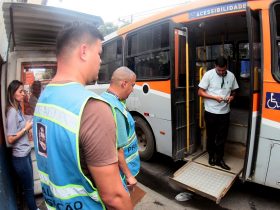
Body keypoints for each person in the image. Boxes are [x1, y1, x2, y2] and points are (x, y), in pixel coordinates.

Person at [32, 22, 133, 210]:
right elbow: (115, 197)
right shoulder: (93, 108)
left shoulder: (45, 97)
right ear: (84, 51)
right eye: (99, 53)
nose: (101, 61)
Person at [101, 67, 140, 192]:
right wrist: (129, 176)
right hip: (121, 175)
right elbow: (118, 150)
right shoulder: (116, 108)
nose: (133, 90)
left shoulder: (103, 98)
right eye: (132, 85)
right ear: (124, 83)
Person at [198, 56, 239, 170]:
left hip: (225, 112)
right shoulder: (208, 75)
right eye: (219, 70)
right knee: (211, 136)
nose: (221, 72)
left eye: (223, 70)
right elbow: (200, 92)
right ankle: (211, 156)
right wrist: (214, 97)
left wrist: (232, 97)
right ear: (215, 66)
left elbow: (234, 91)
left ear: (226, 67)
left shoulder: (231, 75)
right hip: (211, 112)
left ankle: (219, 159)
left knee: (222, 137)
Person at [6, 80, 38, 210]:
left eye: (24, 91)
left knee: (28, 186)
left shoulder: (18, 109)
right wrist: (26, 128)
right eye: (20, 91)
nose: (23, 94)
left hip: (24, 154)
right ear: (13, 94)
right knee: (29, 189)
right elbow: (10, 138)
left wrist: (28, 123)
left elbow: (24, 120)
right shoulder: (12, 111)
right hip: (19, 157)